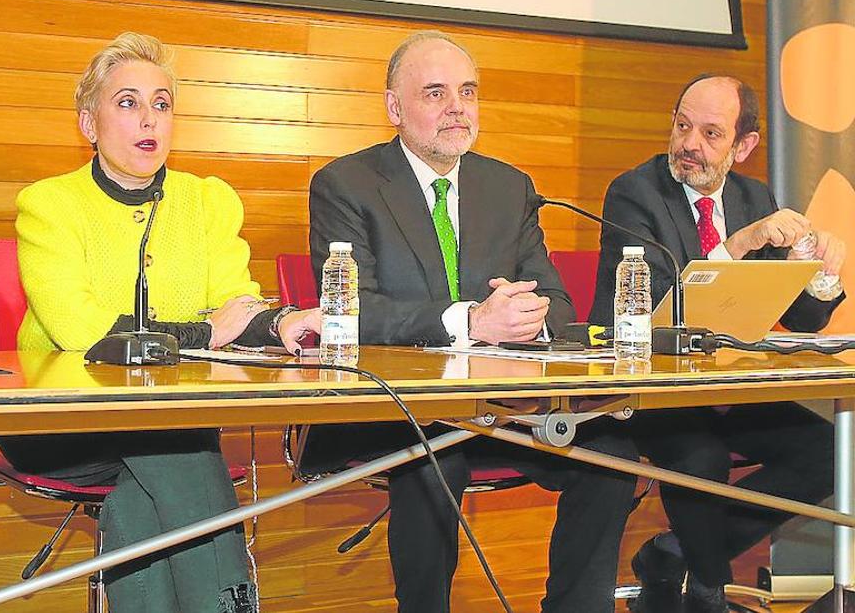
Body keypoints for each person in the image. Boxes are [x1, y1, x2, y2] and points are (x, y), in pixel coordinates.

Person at [304, 30, 637, 613]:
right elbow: (350, 311)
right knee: (436, 458)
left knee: (611, 453)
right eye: (435, 93)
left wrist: (527, 317)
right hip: (396, 408)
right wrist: (471, 321)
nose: (457, 106)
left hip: (507, 405)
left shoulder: (508, 187)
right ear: (394, 107)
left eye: (468, 91)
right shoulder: (346, 184)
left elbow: (559, 305)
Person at [0, 32, 320, 613]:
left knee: (147, 487)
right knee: (180, 450)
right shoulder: (50, 204)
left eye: (161, 104)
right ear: (88, 123)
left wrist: (279, 324)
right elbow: (84, 332)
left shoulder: (206, 201)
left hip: (168, 417)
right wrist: (206, 334)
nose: (149, 118)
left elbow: (234, 302)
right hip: (60, 420)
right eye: (127, 102)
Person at [591, 74, 843, 613]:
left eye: (710, 134)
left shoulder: (753, 196)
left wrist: (819, 274)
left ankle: (675, 552)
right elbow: (658, 313)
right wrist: (740, 243)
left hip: (729, 387)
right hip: (648, 390)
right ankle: (709, 593)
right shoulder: (634, 193)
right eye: (682, 126)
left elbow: (801, 318)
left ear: (743, 146)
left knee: (825, 453)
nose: (689, 145)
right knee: (701, 459)